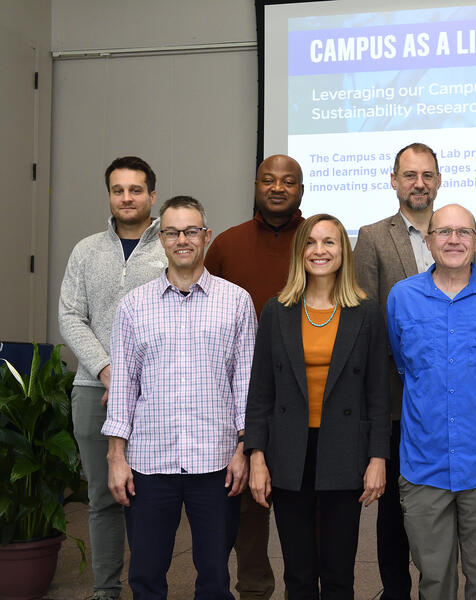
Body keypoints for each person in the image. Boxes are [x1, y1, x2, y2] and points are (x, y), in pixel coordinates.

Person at [102, 196, 257, 599]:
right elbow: (122, 389)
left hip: (216, 463)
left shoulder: (237, 302)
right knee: (146, 578)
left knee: (215, 578)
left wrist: (244, 449)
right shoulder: (134, 306)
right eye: (172, 232)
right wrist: (116, 458)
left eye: (191, 231)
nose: (182, 240)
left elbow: (245, 385)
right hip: (149, 465)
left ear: (206, 236)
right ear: (161, 240)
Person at [353, 142, 476, 600]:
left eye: (427, 175)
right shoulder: (372, 237)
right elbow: (370, 324)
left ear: (439, 180)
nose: (419, 183)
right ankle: (395, 591)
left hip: (460, 404)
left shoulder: (465, 231)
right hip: (398, 402)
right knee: (395, 512)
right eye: (409, 175)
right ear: (393, 181)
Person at [386, 204, 476, 600]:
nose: (454, 240)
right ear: (428, 240)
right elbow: (403, 368)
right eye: (444, 232)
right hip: (423, 466)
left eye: (464, 232)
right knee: (433, 580)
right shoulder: (402, 298)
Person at [245, 214, 390, 600]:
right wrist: (256, 455)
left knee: (339, 572)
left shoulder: (366, 312)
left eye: (330, 242)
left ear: (343, 252)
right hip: (290, 453)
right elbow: (260, 391)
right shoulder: (277, 310)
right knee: (299, 571)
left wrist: (378, 458)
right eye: (311, 242)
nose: (320, 250)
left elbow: (377, 393)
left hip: (345, 453)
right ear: (300, 252)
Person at [58, 156, 167, 600]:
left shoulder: (171, 249)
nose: (127, 197)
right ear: (109, 195)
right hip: (92, 390)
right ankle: (105, 591)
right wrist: (106, 370)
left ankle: (147, 589)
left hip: (154, 394)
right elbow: (70, 316)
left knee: (148, 501)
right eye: (118, 190)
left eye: (135, 190)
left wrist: (133, 380)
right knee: (102, 499)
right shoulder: (86, 250)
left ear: (152, 195)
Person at [204, 153, 305, 599]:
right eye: (269, 180)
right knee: (248, 507)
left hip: (309, 396)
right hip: (244, 396)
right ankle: (254, 590)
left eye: (288, 181)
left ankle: (307, 587)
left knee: (307, 510)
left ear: (301, 190)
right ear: (256, 186)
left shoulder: (319, 241)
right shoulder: (226, 244)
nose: (278, 188)